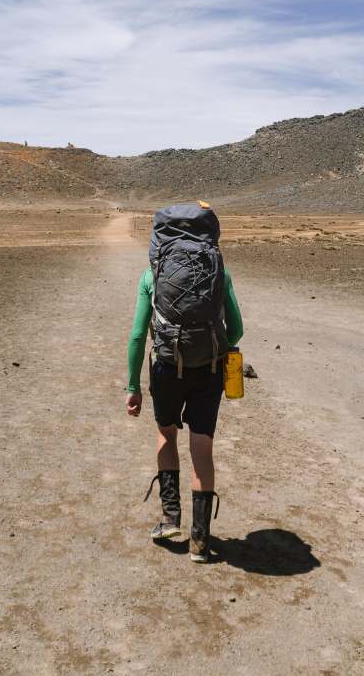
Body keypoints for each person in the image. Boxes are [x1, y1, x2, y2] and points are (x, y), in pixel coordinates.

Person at [125, 203, 244, 563]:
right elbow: (236, 329)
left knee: (166, 435)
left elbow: (136, 336)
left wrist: (132, 386)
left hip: (165, 367)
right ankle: (200, 540)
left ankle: (169, 519)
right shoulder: (219, 273)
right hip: (208, 369)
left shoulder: (152, 275)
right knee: (202, 449)